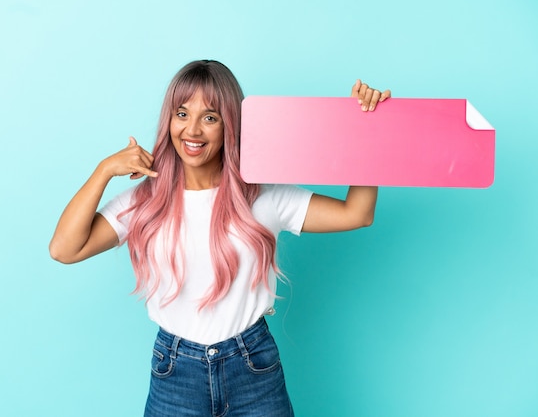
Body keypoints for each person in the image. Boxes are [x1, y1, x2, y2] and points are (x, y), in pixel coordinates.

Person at [49, 59, 390, 417]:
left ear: (230, 126)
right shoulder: (144, 201)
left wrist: (364, 127)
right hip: (174, 372)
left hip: (253, 368)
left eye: (210, 117)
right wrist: (104, 170)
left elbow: (358, 213)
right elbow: (64, 249)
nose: (192, 130)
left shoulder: (263, 196)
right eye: (182, 113)